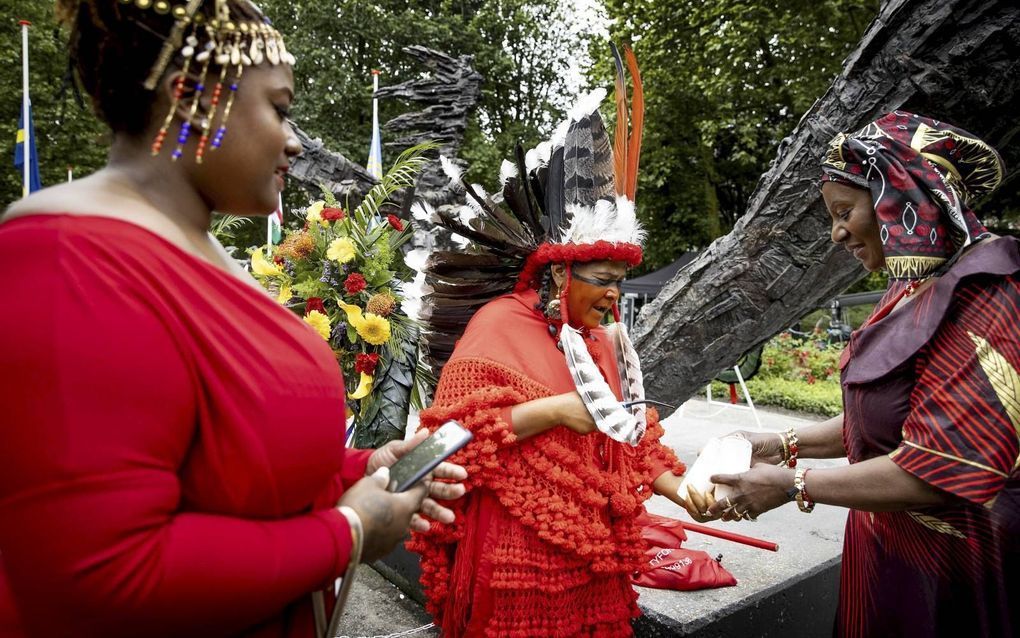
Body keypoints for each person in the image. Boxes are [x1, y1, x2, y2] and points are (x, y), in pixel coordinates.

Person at [0, 1, 464, 636]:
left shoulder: (199, 246)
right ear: (190, 99)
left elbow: (228, 471)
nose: (296, 141)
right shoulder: (70, 259)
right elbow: (104, 574)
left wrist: (364, 469)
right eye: (280, 109)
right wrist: (347, 532)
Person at [691, 112, 1018, 637]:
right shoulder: (908, 287)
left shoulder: (989, 292)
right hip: (886, 558)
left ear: (903, 197)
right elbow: (879, 419)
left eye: (845, 212)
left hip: (957, 576)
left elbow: (937, 467)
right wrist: (780, 442)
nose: (837, 232)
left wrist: (791, 483)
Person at [407, 47, 689, 637]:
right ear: (562, 274)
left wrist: (684, 489)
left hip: (594, 561)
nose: (615, 298)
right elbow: (449, 442)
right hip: (515, 558)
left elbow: (630, 435)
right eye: (604, 282)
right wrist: (555, 410)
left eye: (620, 283)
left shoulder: (604, 340)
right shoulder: (497, 325)